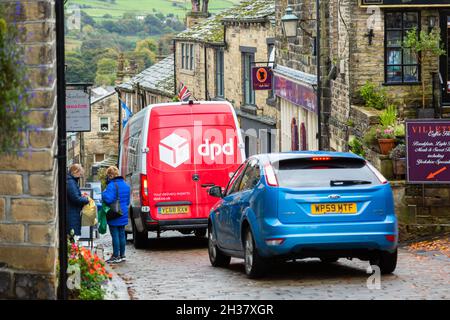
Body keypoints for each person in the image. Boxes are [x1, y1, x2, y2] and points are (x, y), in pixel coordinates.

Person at [102, 166, 131, 264]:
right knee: (122, 234)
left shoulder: (111, 186)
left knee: (115, 235)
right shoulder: (126, 185)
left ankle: (115, 256)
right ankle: (122, 255)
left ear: (110, 175)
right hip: (123, 212)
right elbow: (127, 201)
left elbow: (108, 199)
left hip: (114, 213)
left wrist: (103, 193)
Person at [67, 164, 90, 237]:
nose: (80, 176)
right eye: (80, 174)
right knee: (73, 236)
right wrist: (86, 199)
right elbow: (75, 198)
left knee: (73, 236)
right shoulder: (71, 182)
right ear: (75, 172)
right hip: (72, 213)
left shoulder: (71, 181)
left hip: (72, 212)